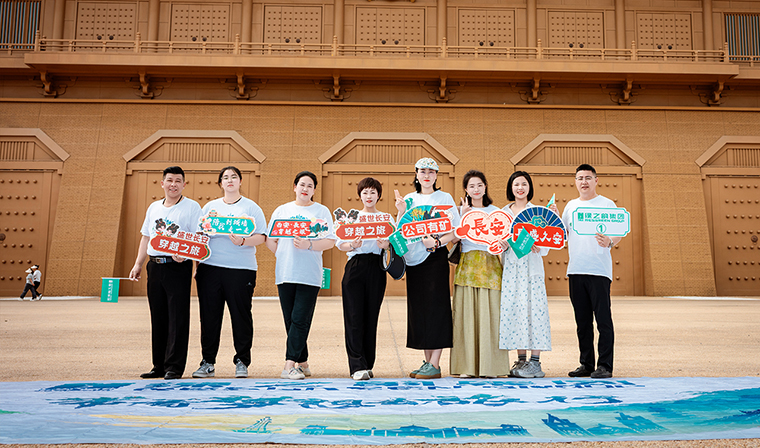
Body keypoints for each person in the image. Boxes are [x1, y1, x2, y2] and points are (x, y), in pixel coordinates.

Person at [192, 166, 267, 379]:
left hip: (241, 270)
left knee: (241, 316)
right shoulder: (210, 207)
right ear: (220, 183)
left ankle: (242, 361)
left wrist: (243, 241)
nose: (230, 180)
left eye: (234, 177)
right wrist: (197, 266)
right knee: (209, 317)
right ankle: (208, 362)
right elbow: (199, 237)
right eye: (225, 177)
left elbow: (262, 237)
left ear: (240, 181)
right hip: (210, 268)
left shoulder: (251, 207)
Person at [129, 166, 203, 380]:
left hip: (177, 266)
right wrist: (138, 264)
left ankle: (174, 367)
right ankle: (158, 365)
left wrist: (190, 259)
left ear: (184, 184)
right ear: (162, 183)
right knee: (158, 316)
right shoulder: (154, 207)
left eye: (178, 181)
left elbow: (199, 237)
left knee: (177, 317)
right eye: (169, 180)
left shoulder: (192, 207)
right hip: (155, 266)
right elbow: (146, 237)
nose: (173, 184)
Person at [394, 157, 460, 380]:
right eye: (422, 171)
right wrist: (401, 211)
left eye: (431, 171)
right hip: (414, 260)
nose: (427, 175)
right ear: (416, 174)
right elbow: (400, 230)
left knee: (437, 308)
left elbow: (456, 230)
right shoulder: (409, 199)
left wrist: (438, 242)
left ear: (436, 175)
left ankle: (435, 363)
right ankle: (427, 362)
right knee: (420, 309)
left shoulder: (444, 198)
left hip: (435, 257)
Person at [266, 171, 336, 380]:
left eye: (310, 186)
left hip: (309, 274)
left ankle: (289, 365)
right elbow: (270, 239)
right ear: (295, 187)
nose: (305, 189)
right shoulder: (282, 210)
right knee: (290, 320)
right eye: (302, 184)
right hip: (285, 273)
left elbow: (330, 241)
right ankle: (303, 362)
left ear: (314, 190)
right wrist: (282, 253)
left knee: (300, 319)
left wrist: (309, 245)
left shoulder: (321, 211)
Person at [561, 164, 624, 379]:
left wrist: (610, 241)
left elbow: (619, 231)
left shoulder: (607, 204)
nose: (584, 182)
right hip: (576, 269)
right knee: (582, 322)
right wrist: (553, 218)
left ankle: (605, 365)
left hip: (599, 270)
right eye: (580, 178)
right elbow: (562, 234)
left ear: (596, 180)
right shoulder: (570, 206)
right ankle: (586, 364)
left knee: (603, 320)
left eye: (588, 178)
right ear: (575, 182)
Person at [449, 170, 509, 378]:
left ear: (485, 187)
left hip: (490, 266)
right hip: (467, 266)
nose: (476, 189)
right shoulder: (460, 212)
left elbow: (506, 239)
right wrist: (462, 217)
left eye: (479, 185)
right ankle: (466, 367)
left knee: (491, 317)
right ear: (466, 190)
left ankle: (490, 367)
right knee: (466, 317)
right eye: (471, 186)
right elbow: (453, 239)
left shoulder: (496, 212)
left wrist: (504, 243)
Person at [336, 177, 391, 381]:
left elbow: (394, 241)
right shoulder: (352, 218)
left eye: (373, 192)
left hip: (376, 267)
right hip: (356, 265)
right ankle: (356, 365)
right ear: (359, 195)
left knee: (371, 316)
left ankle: (368, 364)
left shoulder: (386, 218)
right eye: (365, 192)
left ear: (379, 195)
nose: (369, 196)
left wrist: (386, 245)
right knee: (354, 316)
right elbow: (340, 244)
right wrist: (352, 245)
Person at [498, 171, 552, 378]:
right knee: (515, 311)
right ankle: (521, 360)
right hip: (511, 269)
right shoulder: (503, 214)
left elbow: (546, 246)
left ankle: (535, 363)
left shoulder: (538, 213)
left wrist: (539, 245)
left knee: (534, 310)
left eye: (524, 184)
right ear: (510, 188)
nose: (520, 188)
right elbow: (496, 242)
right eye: (516, 184)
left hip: (532, 269)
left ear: (530, 187)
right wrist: (501, 244)